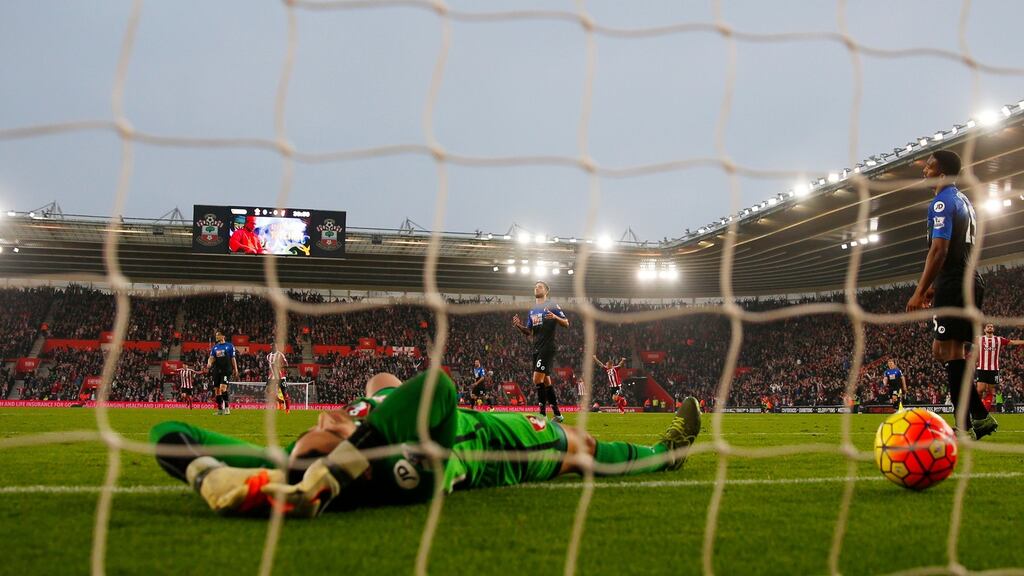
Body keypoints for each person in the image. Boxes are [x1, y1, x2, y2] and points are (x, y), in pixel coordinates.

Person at [150, 371, 702, 517]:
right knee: (581, 448)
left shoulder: (297, 461)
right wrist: (352, 436)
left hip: (440, 428)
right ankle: (667, 451)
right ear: (349, 451)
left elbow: (170, 436)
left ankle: (664, 450)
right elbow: (436, 386)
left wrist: (207, 473)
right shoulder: (402, 464)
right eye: (329, 426)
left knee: (383, 386)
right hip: (496, 448)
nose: (326, 416)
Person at [906, 150, 996, 439]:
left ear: (942, 173)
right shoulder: (963, 200)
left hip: (956, 281)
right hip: (967, 279)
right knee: (941, 351)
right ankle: (978, 415)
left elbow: (940, 249)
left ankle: (966, 425)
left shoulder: (941, 202)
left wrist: (920, 291)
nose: (924, 172)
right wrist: (934, 286)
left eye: (929, 167)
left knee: (950, 351)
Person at [512, 281, 569, 422]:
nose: (537, 288)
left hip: (548, 347)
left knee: (537, 379)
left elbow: (566, 323)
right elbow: (528, 331)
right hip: (536, 347)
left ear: (546, 291)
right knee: (546, 381)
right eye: (535, 286)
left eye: (540, 286)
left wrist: (555, 317)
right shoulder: (532, 310)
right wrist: (518, 325)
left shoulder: (552, 305)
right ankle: (558, 415)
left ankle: (542, 414)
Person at [975, 323, 1024, 412]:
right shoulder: (979, 339)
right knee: (980, 390)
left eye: (991, 326)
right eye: (988, 326)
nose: (990, 327)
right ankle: (977, 406)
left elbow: (1012, 342)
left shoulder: (998, 339)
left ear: (993, 329)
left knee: (991, 391)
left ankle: (984, 412)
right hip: (982, 368)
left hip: (994, 369)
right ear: (984, 330)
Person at [207, 330, 239, 416]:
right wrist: (209, 363)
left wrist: (236, 369)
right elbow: (211, 357)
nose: (216, 336)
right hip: (217, 370)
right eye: (216, 335)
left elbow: (233, 358)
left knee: (223, 388)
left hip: (226, 370)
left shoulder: (229, 346)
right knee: (217, 390)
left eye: (218, 335)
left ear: (223, 336)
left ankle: (227, 408)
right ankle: (220, 409)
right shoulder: (215, 347)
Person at [267, 343, 290, 413]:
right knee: (268, 391)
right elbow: (270, 367)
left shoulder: (280, 355)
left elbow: (287, 365)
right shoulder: (268, 356)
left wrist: (279, 366)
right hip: (272, 377)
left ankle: (287, 409)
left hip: (281, 377)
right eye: (273, 346)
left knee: (284, 393)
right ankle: (280, 401)